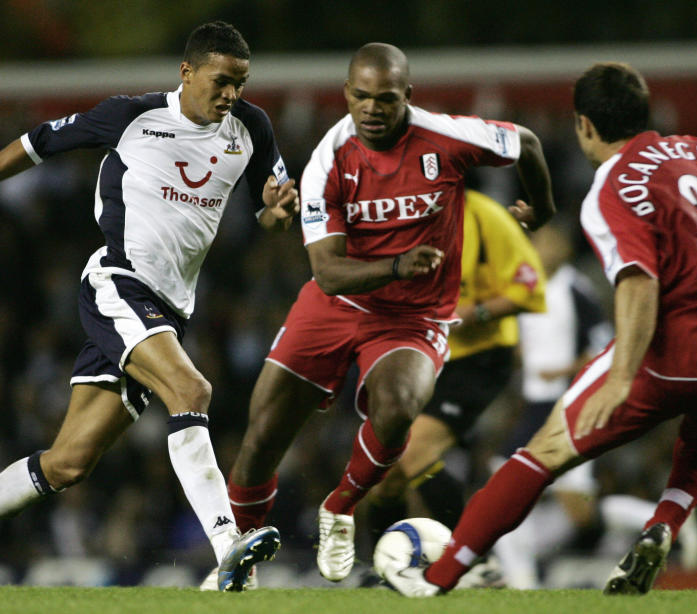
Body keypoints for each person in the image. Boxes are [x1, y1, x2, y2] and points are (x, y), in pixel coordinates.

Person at [0, 21, 298, 592]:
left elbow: (271, 214)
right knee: (192, 391)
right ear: (187, 71)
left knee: (69, 462)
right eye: (222, 82)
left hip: (169, 312)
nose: (231, 95)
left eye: (240, 84)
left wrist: (278, 210)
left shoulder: (250, 128)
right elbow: (36, 144)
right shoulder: (132, 116)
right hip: (119, 284)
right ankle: (227, 548)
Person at [383, 61, 697, 597]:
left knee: (540, 456)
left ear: (584, 126)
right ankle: (664, 524)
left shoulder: (612, 187)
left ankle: (436, 579)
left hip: (680, 352)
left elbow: (637, 283)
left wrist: (621, 378)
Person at [223, 42, 555, 586]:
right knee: (260, 437)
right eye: (362, 97)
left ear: (407, 96)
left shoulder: (446, 138)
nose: (373, 109)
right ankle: (239, 559)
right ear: (346, 94)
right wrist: (398, 265)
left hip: (415, 318)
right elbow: (328, 272)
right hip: (335, 303)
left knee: (400, 407)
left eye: (386, 99)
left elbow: (528, 143)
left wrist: (542, 206)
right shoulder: (329, 160)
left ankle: (341, 508)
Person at [493, 223, 697, 589]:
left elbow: (604, 344)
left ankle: (521, 580)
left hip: (565, 401)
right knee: (572, 508)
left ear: (565, 249)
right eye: (538, 241)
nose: (542, 247)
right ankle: (661, 523)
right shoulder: (526, 287)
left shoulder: (575, 289)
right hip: (536, 403)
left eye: (550, 240)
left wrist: (563, 369)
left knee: (508, 482)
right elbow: (525, 340)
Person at [363, 188, 546, 578]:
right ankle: (382, 575)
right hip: (425, 356)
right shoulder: (399, 219)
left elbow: (530, 289)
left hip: (480, 356)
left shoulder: (486, 217)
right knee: (385, 476)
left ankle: (477, 562)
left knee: (415, 450)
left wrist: (474, 312)